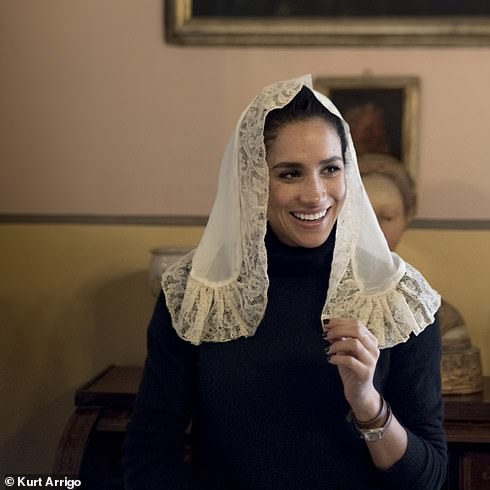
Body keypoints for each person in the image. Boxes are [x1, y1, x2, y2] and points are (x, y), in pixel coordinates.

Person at [123, 75, 446, 489]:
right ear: (254, 181)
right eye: (290, 174)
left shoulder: (398, 298)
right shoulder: (197, 293)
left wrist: (368, 404)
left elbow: (430, 479)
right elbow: (149, 456)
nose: (315, 195)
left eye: (330, 169)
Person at [357, 153, 483, 395]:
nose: (376, 230)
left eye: (388, 217)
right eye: (366, 217)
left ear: (408, 215)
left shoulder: (433, 313)